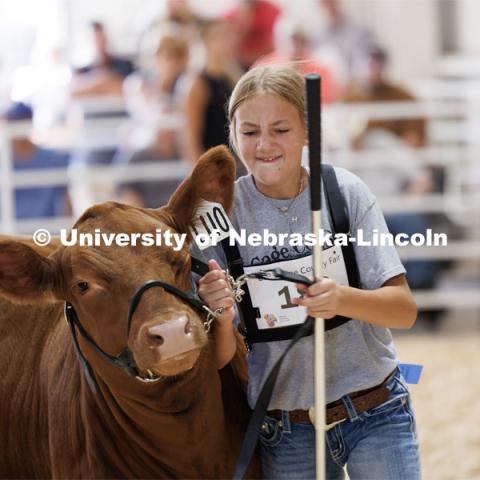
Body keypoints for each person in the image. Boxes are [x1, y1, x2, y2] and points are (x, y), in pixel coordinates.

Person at [197, 65, 421, 479]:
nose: (264, 145)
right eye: (249, 132)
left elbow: (403, 311)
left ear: (307, 132)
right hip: (287, 427)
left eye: (280, 129)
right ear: (232, 136)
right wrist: (223, 317)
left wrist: (342, 298)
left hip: (376, 408)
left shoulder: (343, 192)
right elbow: (218, 359)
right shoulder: (220, 218)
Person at [182, 18, 245, 174]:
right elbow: (190, 139)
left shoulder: (233, 78)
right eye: (220, 36)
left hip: (235, 165)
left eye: (229, 35)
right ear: (205, 42)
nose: (228, 41)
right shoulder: (198, 83)